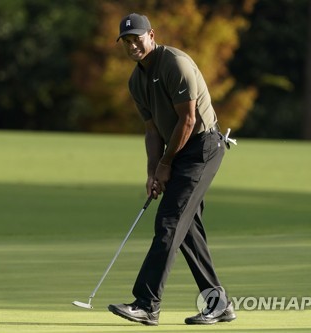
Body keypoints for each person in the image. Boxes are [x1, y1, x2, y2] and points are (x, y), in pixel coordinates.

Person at [107, 13, 237, 326]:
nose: (132, 45)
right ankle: (219, 304)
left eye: (136, 38)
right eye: (126, 40)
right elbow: (153, 130)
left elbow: (188, 120)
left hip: (203, 147)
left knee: (168, 222)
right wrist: (153, 171)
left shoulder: (174, 64)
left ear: (151, 35)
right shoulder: (136, 80)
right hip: (177, 150)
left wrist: (166, 164)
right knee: (187, 230)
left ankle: (147, 304)